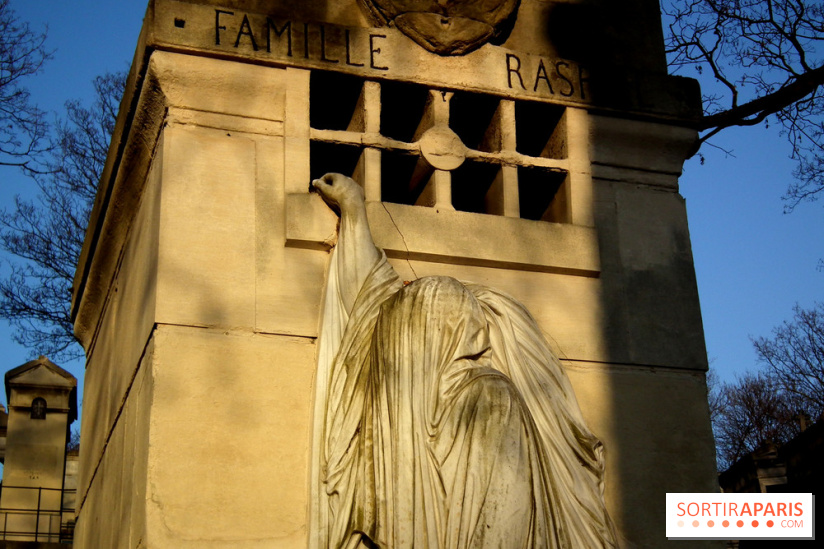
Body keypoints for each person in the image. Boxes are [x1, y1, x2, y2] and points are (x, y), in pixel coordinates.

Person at [310, 173, 615, 549]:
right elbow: (372, 299)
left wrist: (355, 211)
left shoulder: (484, 394)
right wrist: (354, 211)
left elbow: (507, 518)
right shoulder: (422, 403)